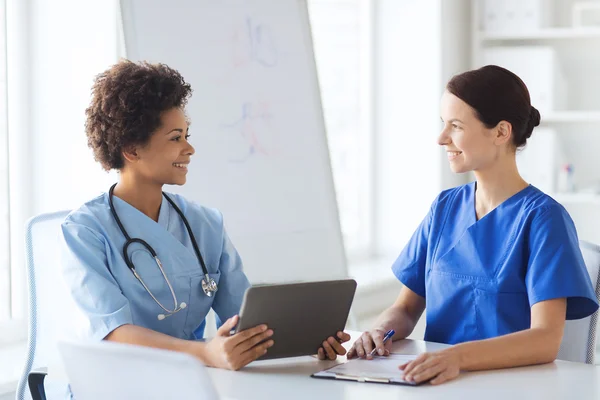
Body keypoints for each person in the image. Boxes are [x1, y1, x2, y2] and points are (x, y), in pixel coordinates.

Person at [60, 60, 349, 373]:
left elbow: (242, 320)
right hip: (117, 385)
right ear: (131, 149)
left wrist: (307, 342)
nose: (190, 149)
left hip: (192, 382)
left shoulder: (205, 224)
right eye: (175, 138)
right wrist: (203, 353)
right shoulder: (84, 231)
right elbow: (112, 333)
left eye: (187, 135)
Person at [347, 65, 599, 385]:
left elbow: (545, 339)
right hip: (437, 382)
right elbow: (407, 309)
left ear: (500, 132)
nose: (441, 138)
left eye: (455, 125)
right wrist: (380, 330)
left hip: (511, 387)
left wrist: (458, 357)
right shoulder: (444, 208)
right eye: (443, 124)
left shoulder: (543, 219)